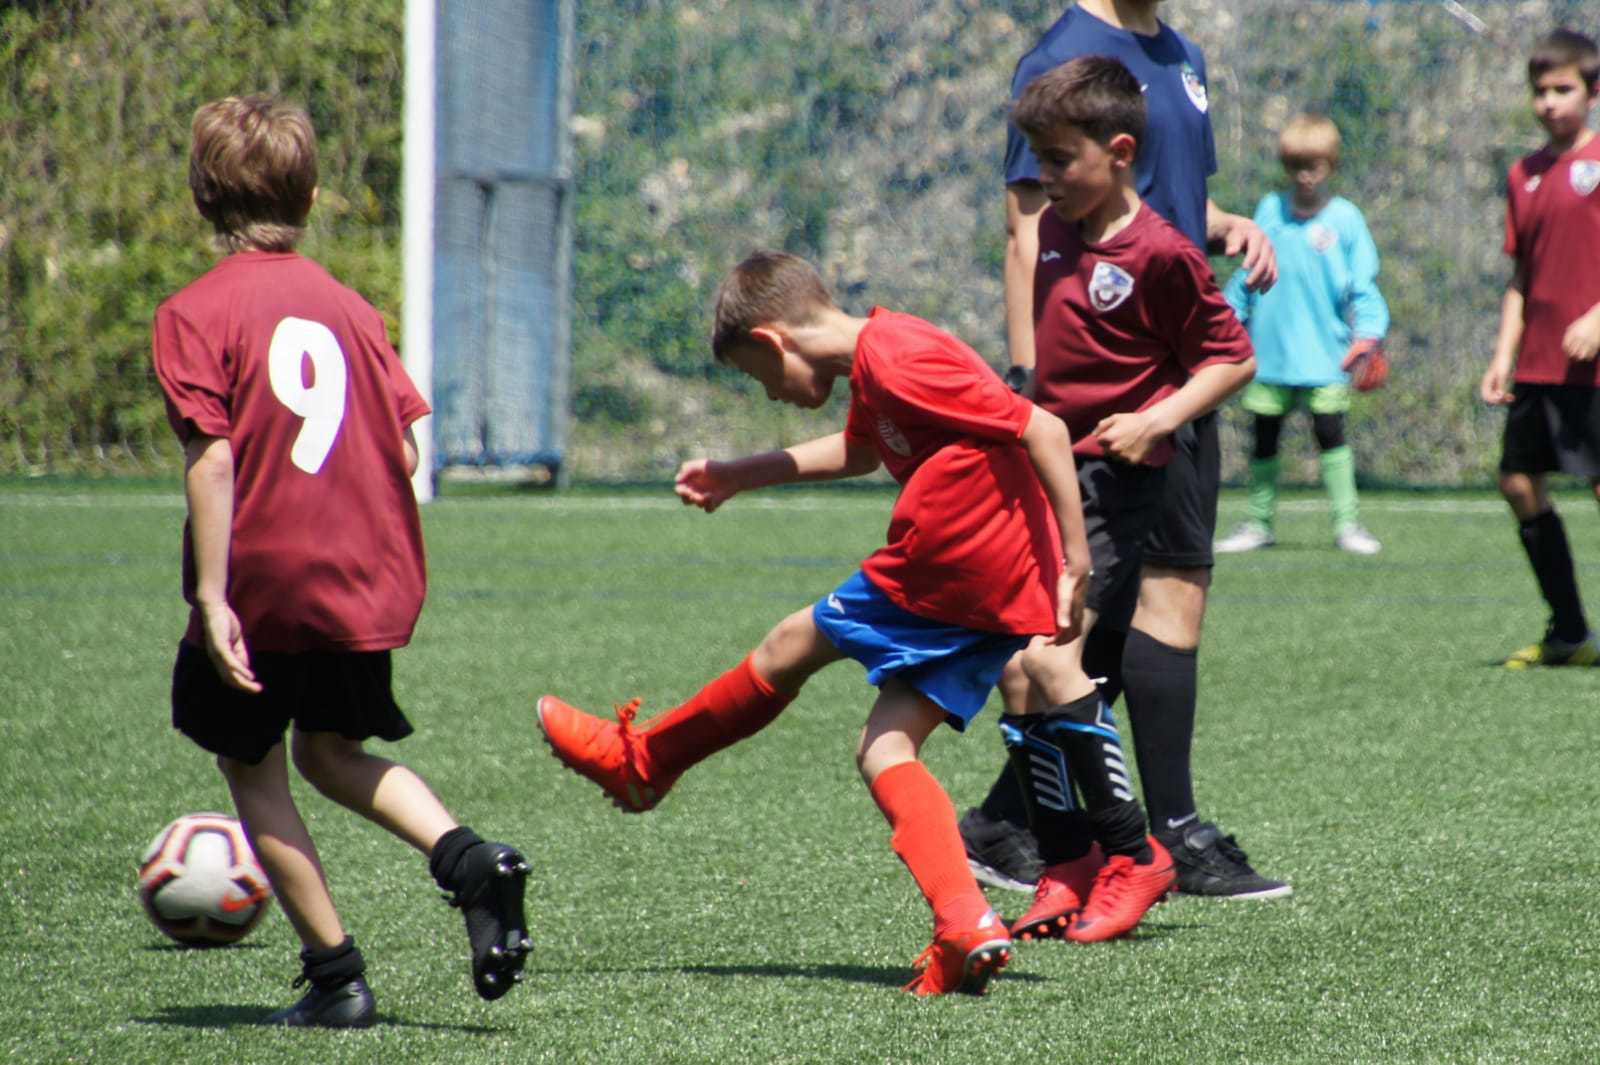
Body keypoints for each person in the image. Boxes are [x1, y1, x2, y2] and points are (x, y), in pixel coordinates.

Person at [536, 249, 1171, 996]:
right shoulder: (878, 361)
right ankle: (965, 921)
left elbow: (1044, 429)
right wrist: (740, 473)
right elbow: (862, 450)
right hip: (982, 581)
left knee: (791, 643)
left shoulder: (900, 358)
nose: (771, 394)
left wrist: (1075, 557)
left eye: (759, 375)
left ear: (773, 341)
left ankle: (645, 763)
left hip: (956, 566)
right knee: (884, 748)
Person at [152, 95, 532, 1028]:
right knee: (332, 750)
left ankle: (336, 978)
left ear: (202, 197)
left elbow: (212, 456)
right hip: (362, 575)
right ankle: (470, 861)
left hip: (264, 581)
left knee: (251, 763)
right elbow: (404, 448)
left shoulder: (193, 312)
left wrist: (214, 595)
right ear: (313, 197)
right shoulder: (352, 310)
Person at [962, 0, 1291, 902]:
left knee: (1124, 610)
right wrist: (1029, 385)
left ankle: (1030, 822)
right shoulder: (1064, 56)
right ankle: (1153, 833)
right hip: (1105, 400)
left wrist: (1227, 223)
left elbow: (1170, 196)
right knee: (1103, 617)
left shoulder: (1180, 54)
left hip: (1174, 375)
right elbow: (1029, 228)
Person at [1215, 113, 1390, 556]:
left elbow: (1363, 285)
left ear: (1331, 165)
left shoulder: (1345, 219)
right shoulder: (1269, 211)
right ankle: (1259, 524)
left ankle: (1347, 525)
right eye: (1295, 166)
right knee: (1264, 438)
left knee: (1330, 433)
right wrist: (1225, 319)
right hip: (1270, 352)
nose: (1304, 176)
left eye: (1313, 166)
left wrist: (1368, 335)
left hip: (1327, 354)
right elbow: (1247, 275)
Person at [1480, 28, 1600, 669]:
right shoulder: (1522, 174)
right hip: (1540, 364)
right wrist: (1503, 357)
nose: (1549, 102)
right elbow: (1521, 278)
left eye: (1563, 89)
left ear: (1592, 92)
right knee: (1518, 482)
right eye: (1540, 91)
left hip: (1595, 368)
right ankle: (1570, 631)